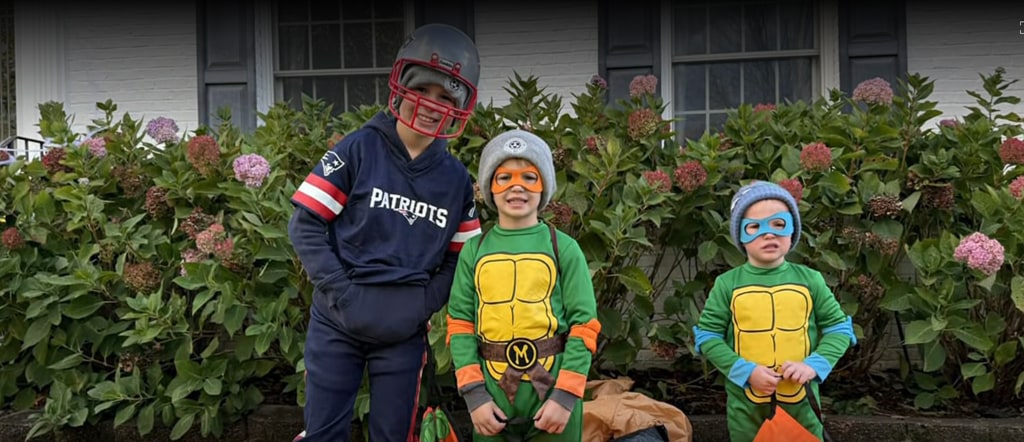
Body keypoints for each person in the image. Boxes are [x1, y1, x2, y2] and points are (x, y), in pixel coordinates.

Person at [288, 23, 482, 442]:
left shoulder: (455, 179)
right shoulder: (357, 148)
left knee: (394, 435)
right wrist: (340, 289)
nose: (431, 104)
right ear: (401, 84)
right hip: (337, 320)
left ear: (461, 105)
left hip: (403, 333)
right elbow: (305, 223)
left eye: (446, 96)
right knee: (323, 432)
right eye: (423, 89)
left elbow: (461, 257)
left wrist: (423, 302)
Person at [446, 130, 602, 441]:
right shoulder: (474, 252)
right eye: (505, 177)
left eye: (529, 177)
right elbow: (460, 324)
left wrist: (566, 396)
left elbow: (584, 326)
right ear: (490, 185)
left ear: (544, 186)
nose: (517, 186)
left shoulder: (565, 248)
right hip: (491, 398)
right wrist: (475, 396)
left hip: (554, 395)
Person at [692, 181, 856, 441]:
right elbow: (708, 337)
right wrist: (745, 371)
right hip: (746, 406)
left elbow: (839, 329)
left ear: (792, 231)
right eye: (755, 227)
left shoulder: (811, 280)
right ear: (741, 236)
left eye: (779, 224)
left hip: (802, 402)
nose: (768, 234)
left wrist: (814, 365)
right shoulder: (727, 285)